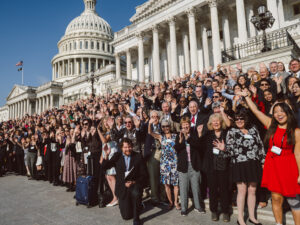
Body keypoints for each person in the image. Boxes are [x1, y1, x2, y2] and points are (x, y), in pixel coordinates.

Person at [242, 91, 300, 225]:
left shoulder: (296, 131)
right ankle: (278, 223)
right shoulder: (270, 125)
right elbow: (256, 111)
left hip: (289, 168)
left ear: (288, 112)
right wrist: (246, 97)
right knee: (275, 198)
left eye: (281, 111)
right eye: (276, 111)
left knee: (294, 201)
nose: (279, 114)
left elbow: (298, 154)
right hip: (273, 167)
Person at [226, 109, 265, 225]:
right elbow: (229, 152)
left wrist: (263, 160)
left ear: (245, 119)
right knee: (242, 191)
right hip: (239, 164)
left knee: (252, 190)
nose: (239, 121)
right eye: (237, 119)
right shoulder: (231, 131)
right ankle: (240, 219)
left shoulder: (253, 130)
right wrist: (224, 149)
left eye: (241, 118)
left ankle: (252, 217)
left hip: (253, 163)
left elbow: (260, 146)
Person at [101, 138, 147, 225]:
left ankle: (137, 217)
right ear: (121, 148)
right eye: (125, 147)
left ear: (132, 147)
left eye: (129, 147)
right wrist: (106, 155)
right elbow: (104, 167)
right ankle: (135, 205)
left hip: (134, 185)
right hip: (122, 186)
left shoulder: (138, 156)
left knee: (136, 194)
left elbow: (144, 175)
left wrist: (134, 182)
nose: (128, 149)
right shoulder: (117, 156)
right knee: (126, 216)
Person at [202, 113, 230, 222]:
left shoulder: (226, 134)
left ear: (221, 122)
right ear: (210, 123)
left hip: (224, 167)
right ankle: (214, 211)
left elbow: (231, 148)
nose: (216, 123)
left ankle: (225, 212)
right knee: (212, 190)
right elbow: (198, 144)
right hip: (211, 167)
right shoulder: (208, 135)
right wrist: (199, 133)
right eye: (213, 121)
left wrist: (224, 148)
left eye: (218, 120)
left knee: (224, 190)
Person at [174, 116, 204, 216]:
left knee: (196, 187)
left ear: (189, 125)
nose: (186, 126)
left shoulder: (194, 134)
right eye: (184, 124)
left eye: (187, 124)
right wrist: (181, 140)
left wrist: (188, 138)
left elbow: (199, 146)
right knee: (183, 188)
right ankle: (184, 208)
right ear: (181, 126)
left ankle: (198, 206)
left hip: (194, 164)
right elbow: (177, 148)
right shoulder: (179, 135)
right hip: (183, 166)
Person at [148, 118, 180, 210]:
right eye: (163, 126)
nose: (166, 128)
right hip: (164, 163)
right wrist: (150, 124)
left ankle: (176, 203)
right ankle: (170, 202)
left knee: (175, 184)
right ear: (161, 127)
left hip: (174, 162)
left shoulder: (175, 136)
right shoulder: (161, 137)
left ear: (170, 126)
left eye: (167, 126)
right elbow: (150, 132)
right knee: (166, 184)